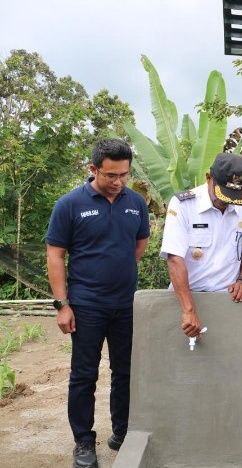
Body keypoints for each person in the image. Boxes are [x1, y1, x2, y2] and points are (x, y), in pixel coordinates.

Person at [46, 139, 150, 468]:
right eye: (111, 175)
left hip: (125, 305)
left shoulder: (136, 203)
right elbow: (55, 255)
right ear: (93, 169)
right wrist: (62, 304)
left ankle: (121, 430)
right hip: (86, 305)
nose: (119, 182)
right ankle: (83, 442)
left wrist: (117, 272)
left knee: (125, 371)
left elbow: (140, 243)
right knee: (83, 375)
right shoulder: (70, 204)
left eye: (124, 175)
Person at [160, 153, 242, 338]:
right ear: (209, 178)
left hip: (227, 301)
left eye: (233, 197)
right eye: (222, 194)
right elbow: (174, 259)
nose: (227, 201)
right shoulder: (184, 205)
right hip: (187, 299)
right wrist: (188, 310)